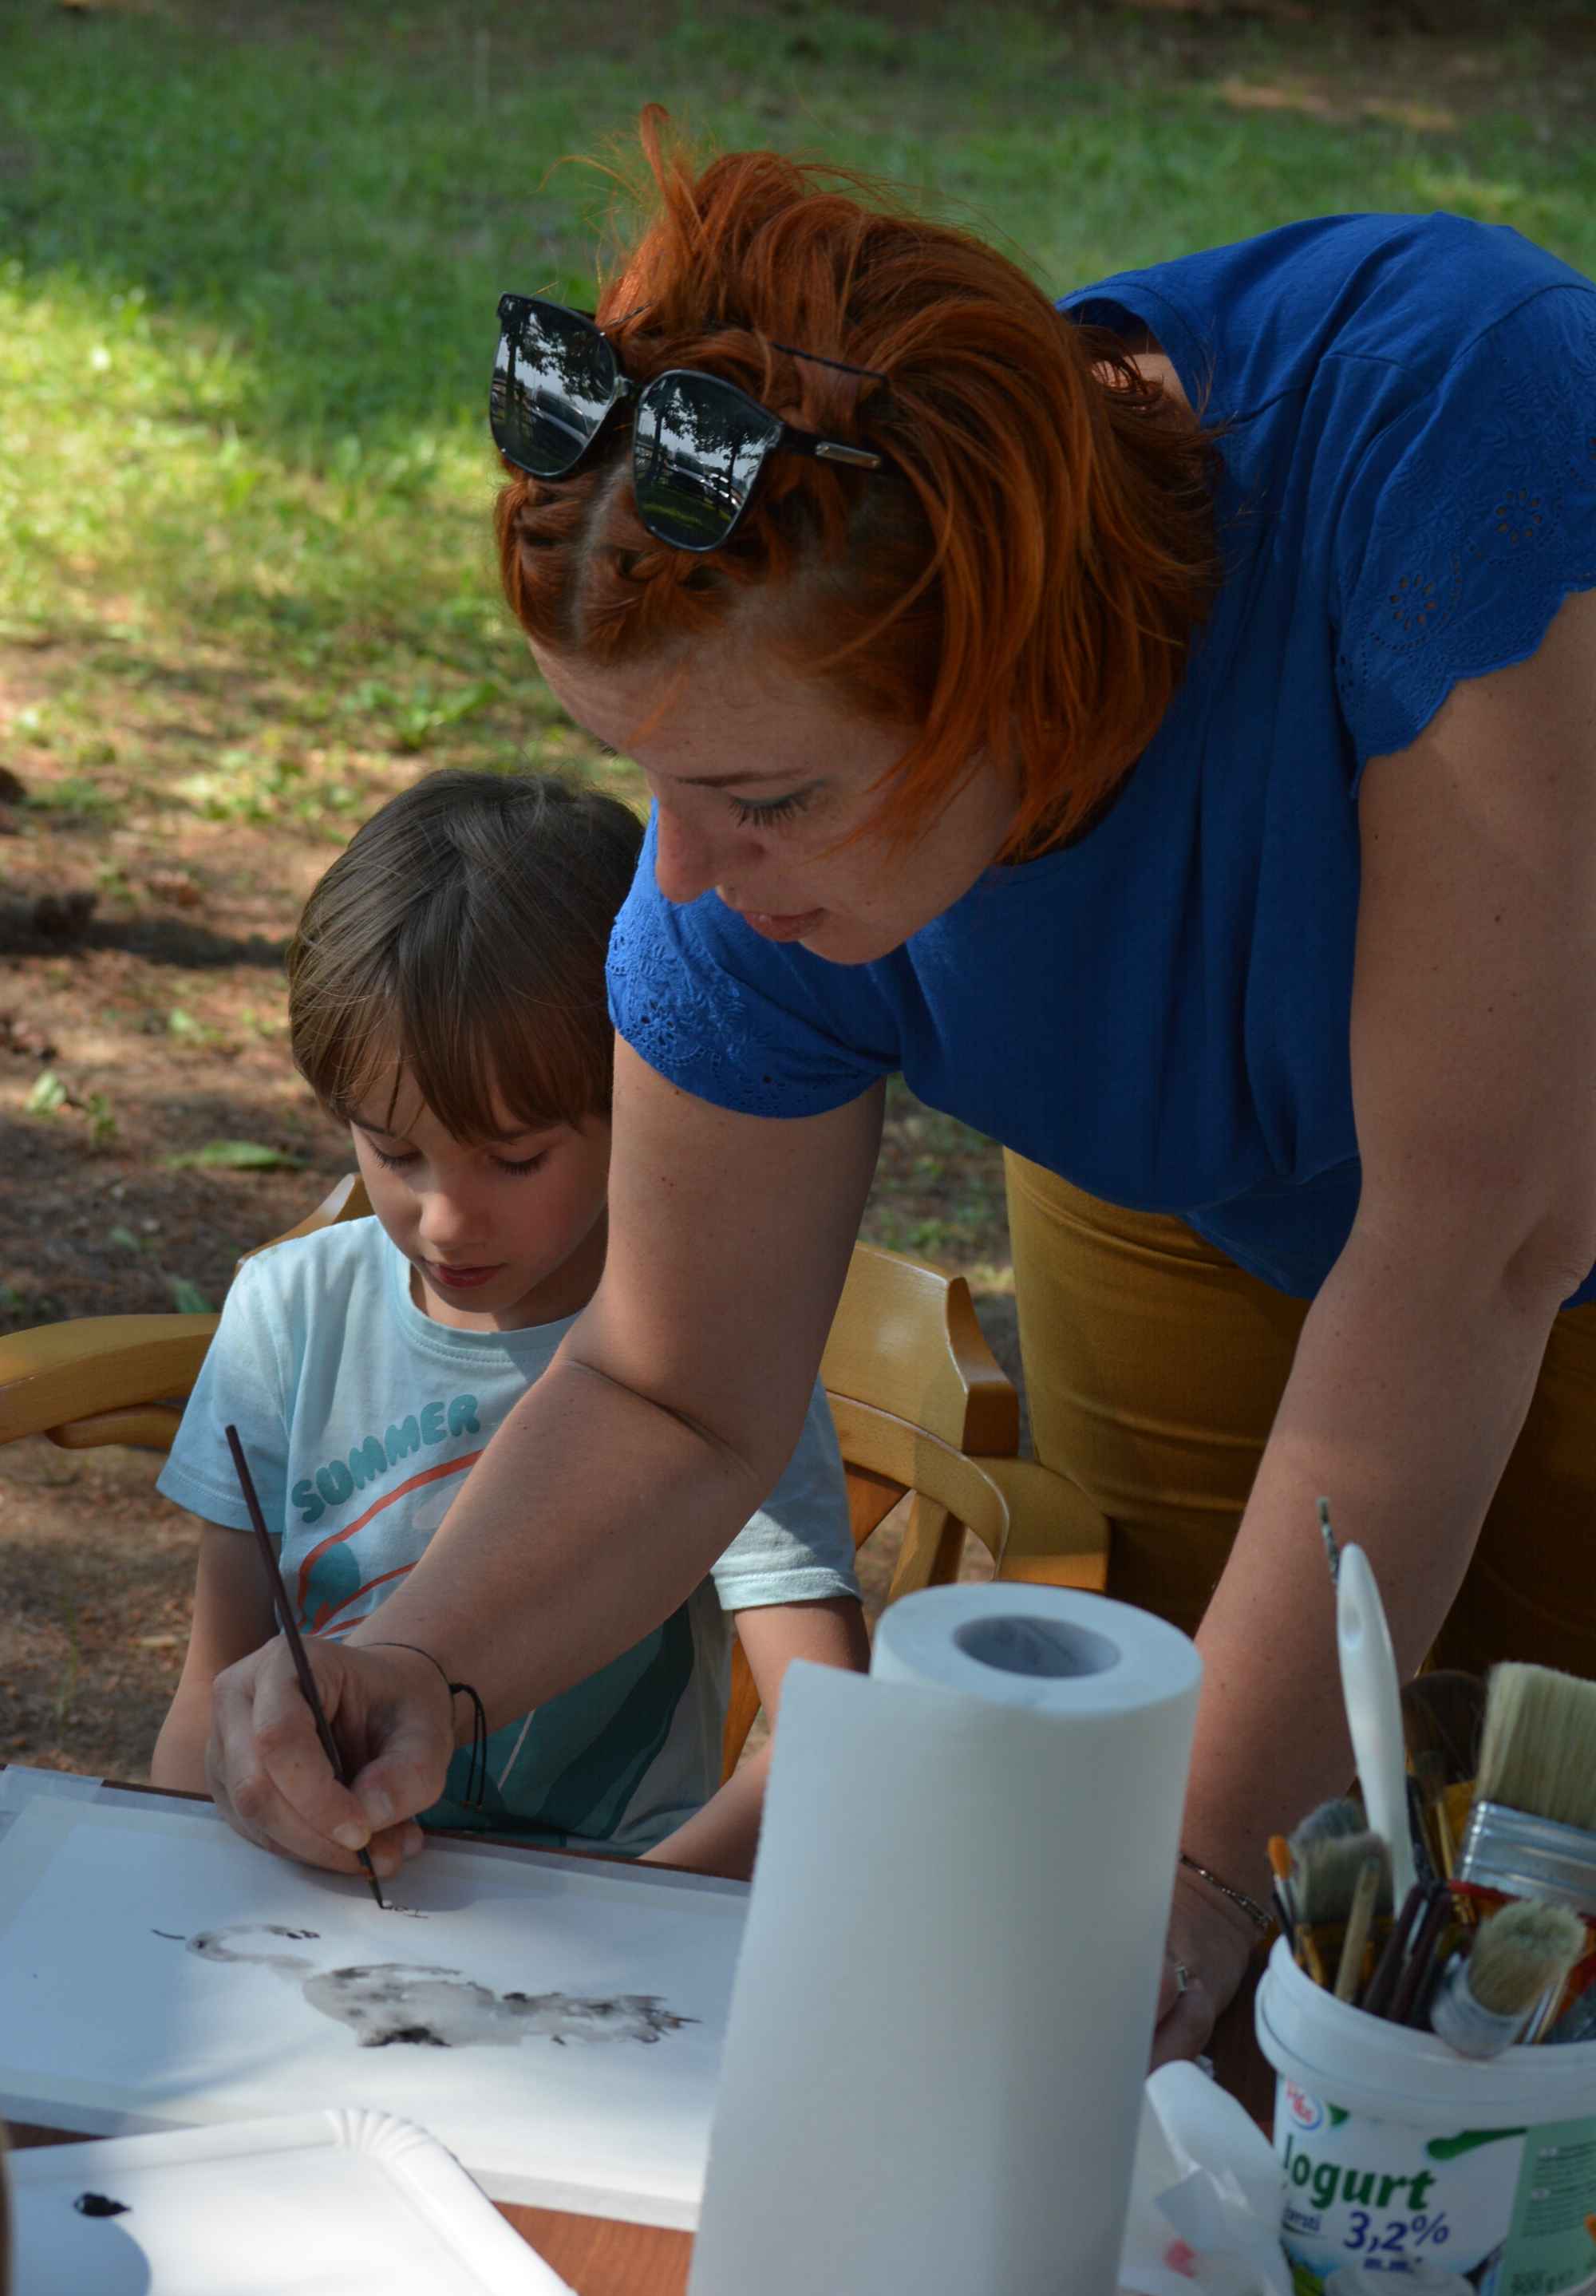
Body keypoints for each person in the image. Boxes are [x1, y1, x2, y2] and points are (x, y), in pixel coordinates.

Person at [203, 117, 1596, 2060]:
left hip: (1526, 1186)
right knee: (1255, 1942)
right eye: (647, 776)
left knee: (1528, 1891)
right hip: (1209, 1167)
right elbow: (676, 1384)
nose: (676, 876)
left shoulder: (1447, 421)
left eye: (767, 799)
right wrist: (419, 1654)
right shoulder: (754, 862)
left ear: (1012, 667)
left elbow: (1477, 1242)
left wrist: (1192, 1874)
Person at [152, 767, 866, 1876]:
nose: (444, 1216)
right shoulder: (289, 1312)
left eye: (516, 1156)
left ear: (644, 1104)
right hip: (324, 1900)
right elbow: (214, 1693)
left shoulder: (719, 1361)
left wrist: (635, 1912)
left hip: (609, 1923)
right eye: (394, 1150)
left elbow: (824, 1740)